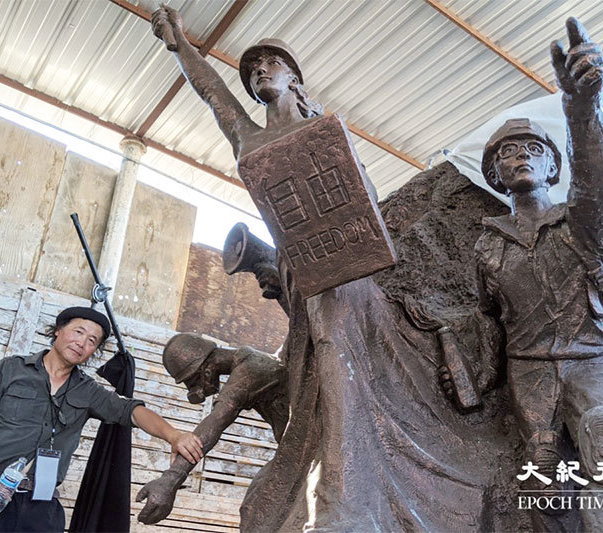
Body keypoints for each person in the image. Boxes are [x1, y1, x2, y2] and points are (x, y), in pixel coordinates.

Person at [149, 7, 504, 531]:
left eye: (273, 63)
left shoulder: (327, 130)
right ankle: (342, 488)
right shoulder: (248, 138)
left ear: (294, 76)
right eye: (253, 70)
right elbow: (212, 94)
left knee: (340, 360)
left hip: (345, 271)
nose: (261, 70)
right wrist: (180, 46)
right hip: (301, 277)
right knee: (321, 370)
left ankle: (345, 497)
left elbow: (367, 204)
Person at [472, 18, 603, 531]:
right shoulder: (487, 246)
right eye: (505, 153)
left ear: (552, 168)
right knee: (540, 476)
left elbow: (598, 185)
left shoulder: (580, 223)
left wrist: (582, 109)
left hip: (592, 360)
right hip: (529, 371)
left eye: (533, 149)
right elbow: (488, 320)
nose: (518, 155)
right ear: (497, 176)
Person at [0, 306, 203, 532]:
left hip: (41, 510)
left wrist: (174, 435)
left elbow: (132, 411)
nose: (82, 343)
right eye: (78, 332)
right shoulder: (11, 369)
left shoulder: (89, 391)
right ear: (58, 331)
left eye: (92, 340)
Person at [135, 333, 288, 524]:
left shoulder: (250, 369)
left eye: (192, 383)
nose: (195, 392)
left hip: (311, 450)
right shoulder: (247, 361)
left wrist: (170, 480)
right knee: (254, 509)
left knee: (259, 512)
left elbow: (217, 420)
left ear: (205, 371)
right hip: (293, 449)